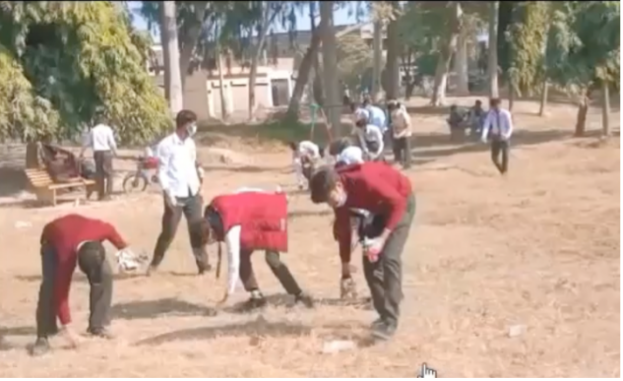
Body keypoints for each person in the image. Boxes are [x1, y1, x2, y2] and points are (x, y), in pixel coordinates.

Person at [309, 163, 416, 341]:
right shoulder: (340, 199)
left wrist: (382, 239)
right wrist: (345, 270)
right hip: (379, 211)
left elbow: (397, 203)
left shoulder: (365, 180)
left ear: (338, 186)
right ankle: (384, 316)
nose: (331, 205)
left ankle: (391, 321)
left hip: (401, 203)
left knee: (389, 257)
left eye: (330, 200)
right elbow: (344, 232)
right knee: (370, 264)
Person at [191, 188, 315, 310]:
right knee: (242, 256)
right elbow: (243, 192)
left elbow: (233, 264)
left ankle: (299, 295)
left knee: (272, 260)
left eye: (209, 241)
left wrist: (228, 293)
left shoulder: (230, 229)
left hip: (270, 216)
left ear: (211, 232)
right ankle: (257, 297)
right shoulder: (214, 210)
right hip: (252, 221)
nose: (212, 243)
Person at [31, 214, 135, 356]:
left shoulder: (100, 230)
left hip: (81, 234)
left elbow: (111, 230)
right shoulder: (65, 255)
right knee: (50, 285)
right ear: (78, 262)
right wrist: (69, 331)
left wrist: (124, 250)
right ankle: (43, 335)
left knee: (104, 274)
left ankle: (98, 325)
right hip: (52, 240)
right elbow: (60, 292)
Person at [148, 110, 210, 276]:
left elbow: (193, 162)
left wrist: (199, 176)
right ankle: (154, 263)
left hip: (192, 192)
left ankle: (203, 265)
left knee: (197, 229)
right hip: (175, 194)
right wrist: (167, 194)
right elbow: (161, 171)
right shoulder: (166, 145)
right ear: (184, 125)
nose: (194, 128)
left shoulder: (190, 143)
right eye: (193, 124)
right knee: (169, 232)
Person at [80, 113, 117, 200]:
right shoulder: (107, 129)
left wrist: (81, 152)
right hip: (107, 153)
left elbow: (87, 143)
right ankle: (108, 194)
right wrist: (115, 152)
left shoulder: (93, 130)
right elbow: (112, 143)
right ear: (104, 122)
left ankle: (101, 195)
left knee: (99, 174)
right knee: (109, 174)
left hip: (97, 153)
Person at [481, 98, 514, 175]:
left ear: (500, 104)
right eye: (494, 106)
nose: (496, 107)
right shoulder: (491, 114)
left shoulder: (506, 114)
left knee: (505, 155)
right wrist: (484, 135)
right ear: (492, 106)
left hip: (504, 136)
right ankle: (501, 170)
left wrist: (507, 135)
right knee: (494, 158)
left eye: (498, 105)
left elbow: (510, 126)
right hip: (495, 137)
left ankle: (505, 171)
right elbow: (487, 125)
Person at [387, 100, 412, 169]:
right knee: (396, 148)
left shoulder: (403, 114)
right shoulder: (392, 114)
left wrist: (401, 133)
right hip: (397, 132)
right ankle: (398, 161)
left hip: (406, 133)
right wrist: (395, 133)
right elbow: (394, 125)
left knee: (406, 148)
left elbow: (408, 125)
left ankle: (407, 163)